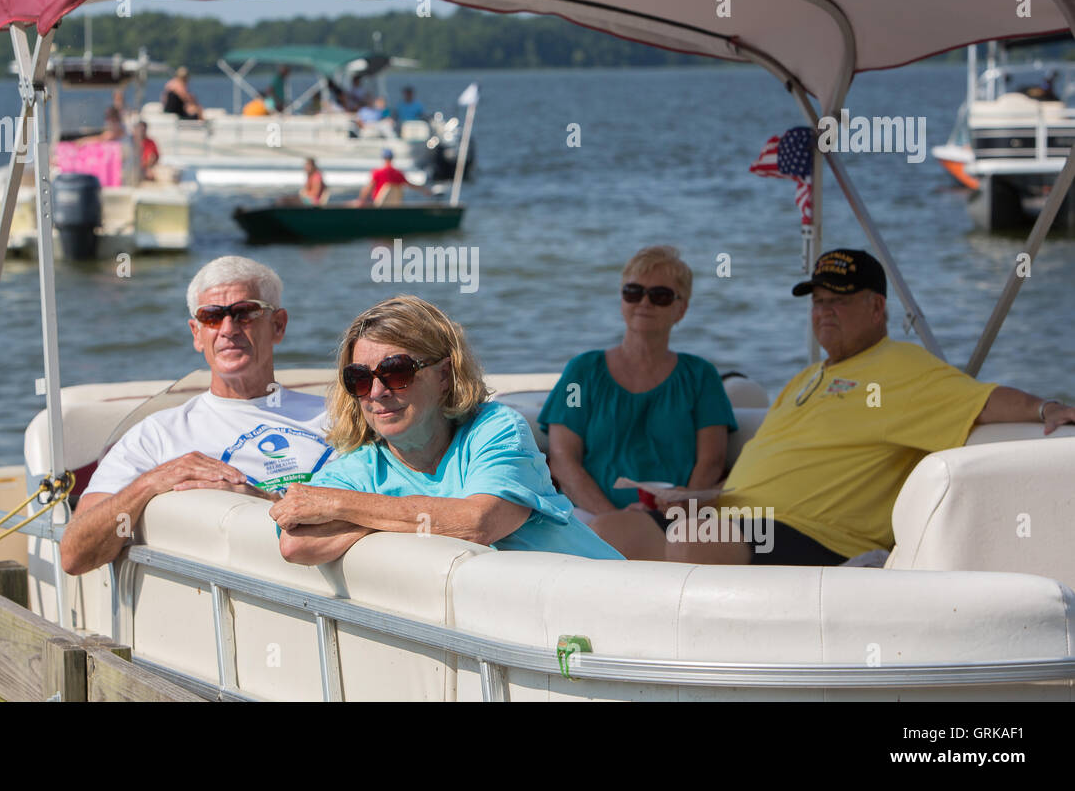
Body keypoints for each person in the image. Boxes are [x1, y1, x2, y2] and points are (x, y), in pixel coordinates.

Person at [648, 248, 1075, 566]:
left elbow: (980, 400)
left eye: (840, 300)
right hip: (741, 519)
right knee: (613, 531)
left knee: (692, 540)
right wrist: (701, 496)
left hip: (820, 537)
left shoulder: (902, 367)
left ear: (876, 308)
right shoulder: (806, 377)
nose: (825, 311)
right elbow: (772, 471)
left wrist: (1045, 408)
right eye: (818, 301)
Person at [270, 296, 624, 564]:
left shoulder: (495, 429)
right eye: (359, 378)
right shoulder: (357, 469)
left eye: (396, 372)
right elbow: (297, 543)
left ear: (443, 375)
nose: (377, 392)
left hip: (608, 604)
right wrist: (428, 519)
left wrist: (338, 505)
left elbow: (478, 524)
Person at [59, 257, 331, 575]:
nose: (228, 329)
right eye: (212, 317)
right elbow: (75, 554)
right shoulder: (157, 436)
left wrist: (265, 500)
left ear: (278, 325)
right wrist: (151, 482)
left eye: (245, 313)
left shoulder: (335, 419)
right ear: (197, 333)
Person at [538, 246, 736, 559]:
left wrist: (684, 507)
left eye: (659, 295)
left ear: (681, 309)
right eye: (633, 292)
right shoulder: (582, 372)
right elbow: (563, 459)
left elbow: (711, 460)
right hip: (592, 514)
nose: (644, 302)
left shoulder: (701, 376)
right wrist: (611, 516)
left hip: (675, 519)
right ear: (622, 301)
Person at [353, 149, 428, 206]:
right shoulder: (398, 173)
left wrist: (361, 199)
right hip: (395, 205)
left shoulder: (378, 172)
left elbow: (369, 188)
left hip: (379, 205)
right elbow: (410, 185)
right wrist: (425, 190)